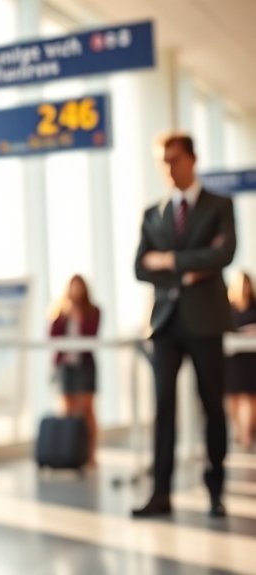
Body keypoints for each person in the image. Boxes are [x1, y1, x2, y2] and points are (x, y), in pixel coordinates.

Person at [132, 132, 236, 519]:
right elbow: (140, 266)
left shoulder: (218, 206)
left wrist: (169, 261)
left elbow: (223, 253)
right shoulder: (153, 213)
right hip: (164, 324)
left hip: (206, 321)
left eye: (174, 159)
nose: (168, 168)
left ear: (192, 159)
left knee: (212, 406)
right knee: (163, 409)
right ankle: (160, 493)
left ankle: (216, 490)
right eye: (162, 161)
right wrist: (191, 267)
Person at [48, 274, 102, 467]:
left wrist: (79, 316)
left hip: (85, 365)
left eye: (79, 287)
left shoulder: (93, 311)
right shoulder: (61, 312)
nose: (76, 291)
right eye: (73, 287)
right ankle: (70, 454)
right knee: (68, 410)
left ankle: (91, 454)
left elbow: (92, 335)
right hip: (66, 366)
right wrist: (65, 315)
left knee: (87, 409)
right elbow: (52, 336)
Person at [226, 271, 256, 449]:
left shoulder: (254, 305)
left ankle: (246, 434)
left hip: (250, 358)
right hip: (232, 358)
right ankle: (237, 431)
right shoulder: (228, 308)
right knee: (233, 397)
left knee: (249, 395)